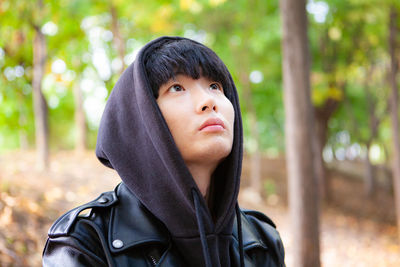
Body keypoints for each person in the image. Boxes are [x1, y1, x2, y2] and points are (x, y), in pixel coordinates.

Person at [42, 36, 285, 267]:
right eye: (177, 87)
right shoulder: (86, 241)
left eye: (214, 86)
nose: (208, 101)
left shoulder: (261, 240)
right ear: (143, 120)